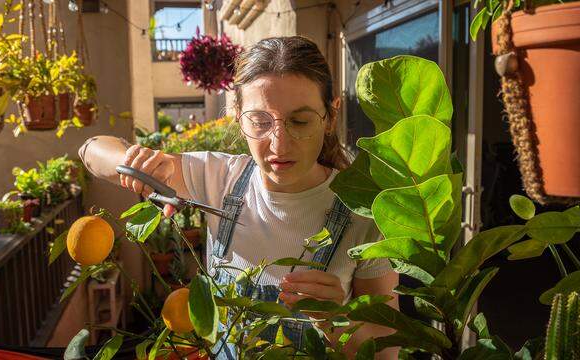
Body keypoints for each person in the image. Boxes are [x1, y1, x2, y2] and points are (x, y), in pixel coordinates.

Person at [78, 36, 399, 359]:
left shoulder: (365, 214)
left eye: (299, 121)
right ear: (237, 115)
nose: (279, 145)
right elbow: (91, 149)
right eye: (259, 122)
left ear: (330, 116)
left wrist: (336, 320)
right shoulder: (220, 179)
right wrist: (135, 163)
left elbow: (388, 349)